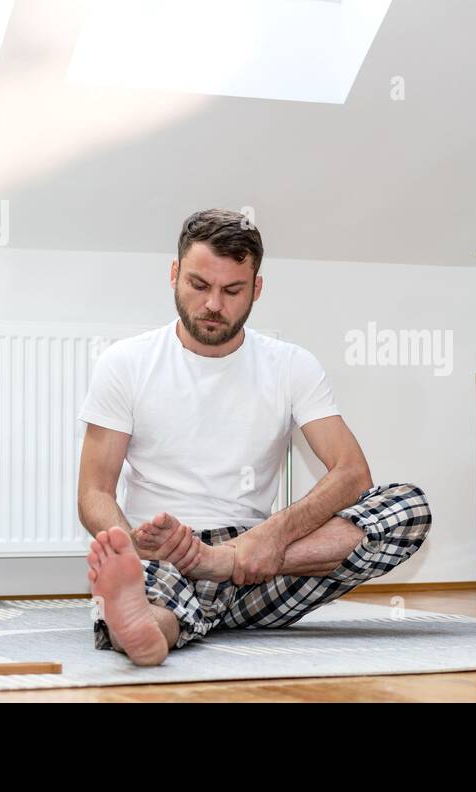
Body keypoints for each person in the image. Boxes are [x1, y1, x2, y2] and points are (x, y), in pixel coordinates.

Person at [77, 208, 431, 666]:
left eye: (232, 290)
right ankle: (147, 629)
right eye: (199, 285)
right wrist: (127, 543)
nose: (213, 305)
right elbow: (93, 491)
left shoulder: (290, 364)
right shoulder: (125, 363)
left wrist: (266, 540)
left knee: (408, 508)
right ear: (174, 275)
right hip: (162, 549)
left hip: (256, 563)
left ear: (256, 289)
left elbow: (352, 472)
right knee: (150, 599)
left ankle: (180, 600)